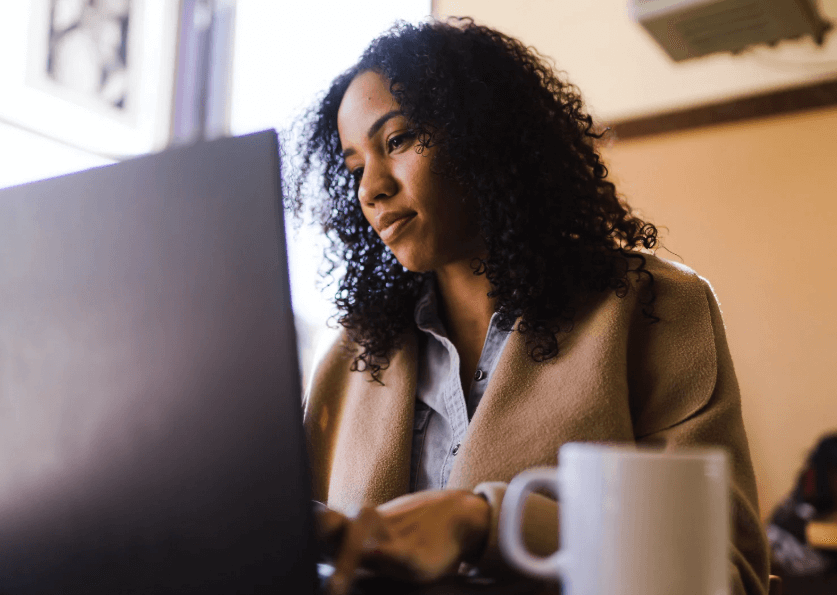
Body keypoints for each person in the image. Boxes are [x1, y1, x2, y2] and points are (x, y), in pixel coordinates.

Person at [290, 17, 770, 595]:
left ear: (482, 133)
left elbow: (725, 574)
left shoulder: (654, 309)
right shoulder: (350, 356)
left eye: (396, 141)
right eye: (356, 167)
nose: (372, 188)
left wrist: (490, 522)